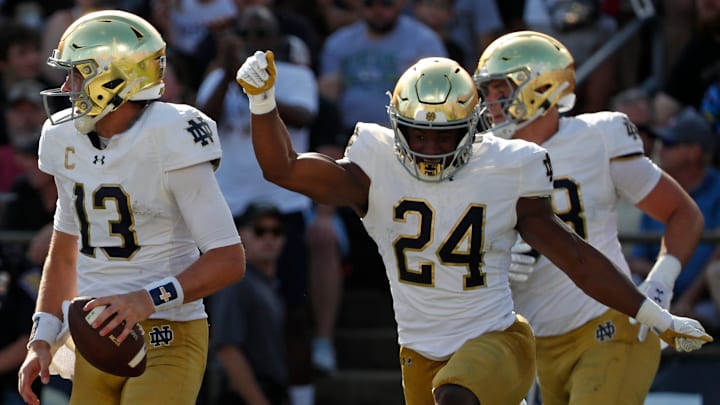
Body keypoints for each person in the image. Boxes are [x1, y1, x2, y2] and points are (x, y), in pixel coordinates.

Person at [235, 50, 712, 405]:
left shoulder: (507, 166)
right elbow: (285, 169)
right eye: (416, 134)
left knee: (457, 397)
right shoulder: (372, 164)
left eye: (443, 136)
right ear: (395, 126)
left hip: (497, 340)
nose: (428, 149)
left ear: (470, 128)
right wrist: (263, 103)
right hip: (420, 351)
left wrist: (655, 312)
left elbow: (577, 258)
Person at [16, 10, 246, 405]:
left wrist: (146, 299)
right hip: (96, 337)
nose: (67, 86)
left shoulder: (169, 134)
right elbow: (66, 252)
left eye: (79, 73)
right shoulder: (63, 138)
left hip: (167, 333)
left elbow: (228, 258)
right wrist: (42, 336)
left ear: (114, 78)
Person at [473, 30, 706, 405]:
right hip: (539, 345)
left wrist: (659, 284)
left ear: (540, 86)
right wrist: (491, 263)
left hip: (608, 325)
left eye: (501, 90)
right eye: (486, 92)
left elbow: (683, 213)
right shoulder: (483, 160)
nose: (490, 103)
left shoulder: (597, 137)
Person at [629, 107, 720, 333]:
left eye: (669, 143)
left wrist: (686, 301)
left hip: (708, 302)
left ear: (694, 152)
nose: (661, 149)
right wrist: (662, 285)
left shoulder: (718, 189)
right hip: (660, 295)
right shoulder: (657, 187)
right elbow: (638, 257)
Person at [208, 202, 290, 405]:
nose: (269, 238)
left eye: (276, 231)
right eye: (259, 230)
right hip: (243, 397)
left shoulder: (267, 284)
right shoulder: (237, 283)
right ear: (241, 234)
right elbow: (228, 349)